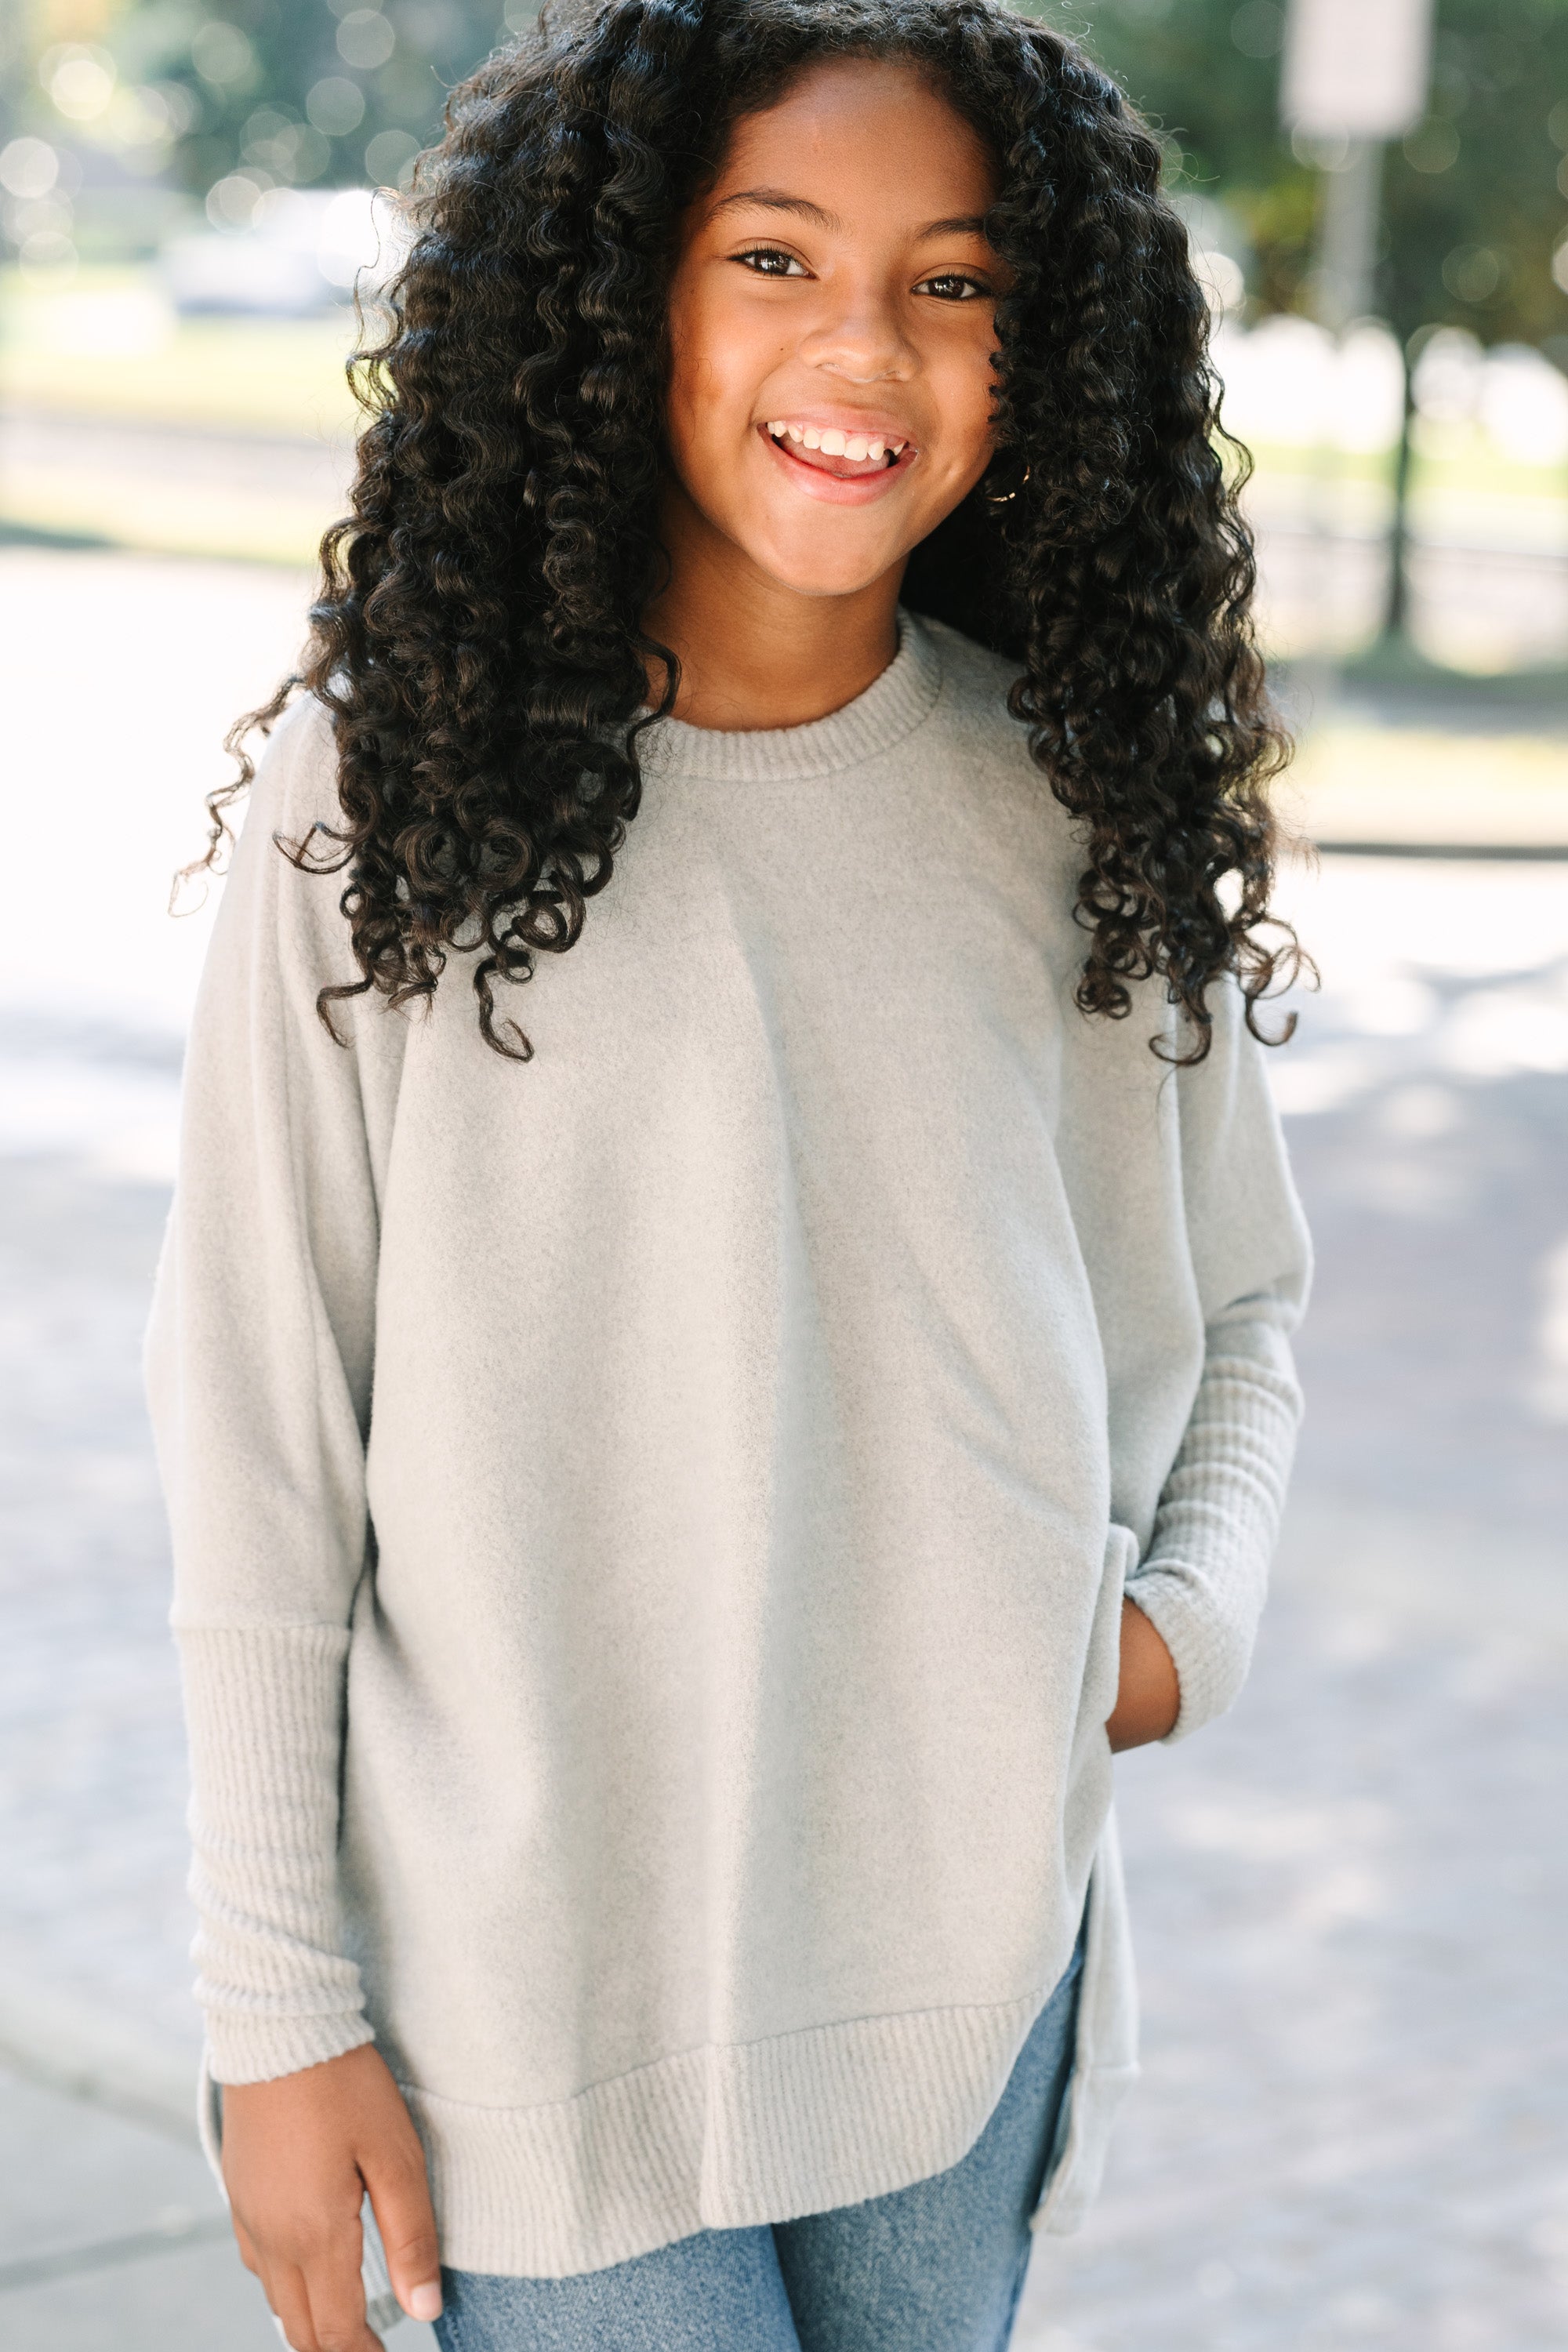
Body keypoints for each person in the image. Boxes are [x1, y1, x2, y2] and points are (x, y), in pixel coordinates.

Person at [147, 1, 1312, 2345]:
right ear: (622, 301)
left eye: (957, 280)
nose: (863, 346)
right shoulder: (391, 798)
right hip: (535, 2003)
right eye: (772, 257)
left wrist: (1184, 1628)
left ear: (1041, 346)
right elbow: (265, 1448)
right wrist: (275, 2010)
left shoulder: (1075, 798)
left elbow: (1249, 1303)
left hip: (961, 1980)